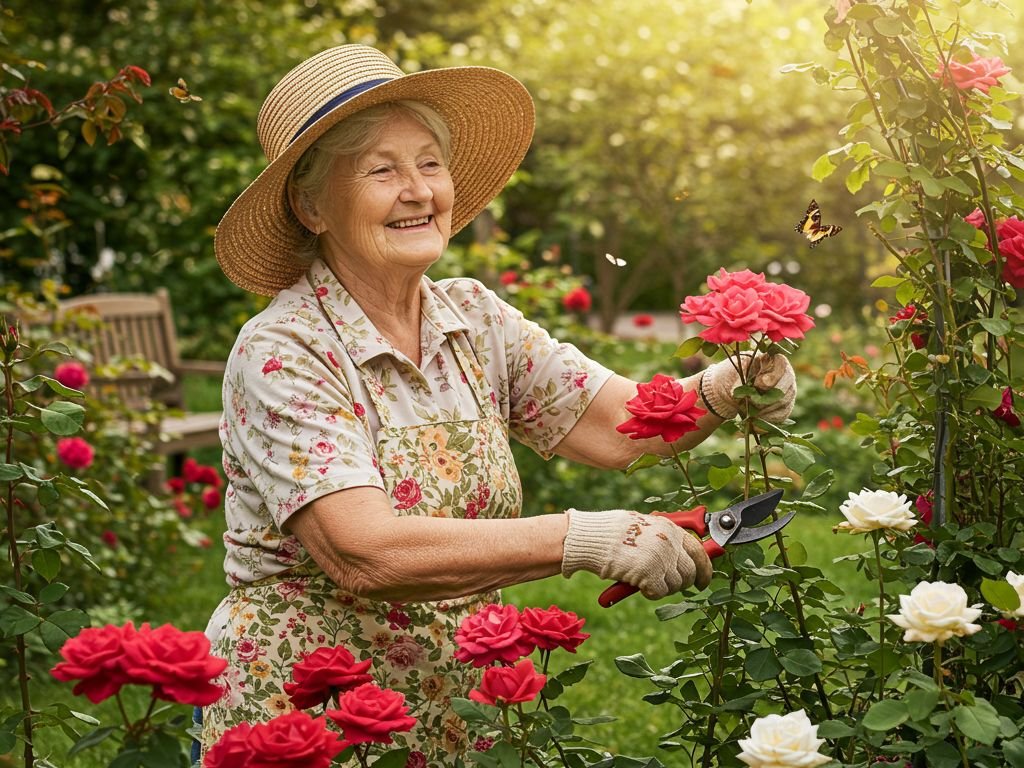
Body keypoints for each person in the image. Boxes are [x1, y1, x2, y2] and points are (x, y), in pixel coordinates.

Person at [200, 44, 797, 763]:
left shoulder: (472, 318)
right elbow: (365, 551)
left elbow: (619, 424)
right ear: (311, 205)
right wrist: (581, 538)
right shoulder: (284, 348)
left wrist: (728, 386)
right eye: (381, 169)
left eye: (429, 162)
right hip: (311, 717)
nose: (419, 190)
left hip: (456, 704)